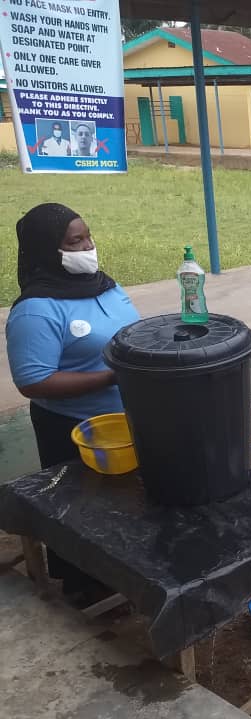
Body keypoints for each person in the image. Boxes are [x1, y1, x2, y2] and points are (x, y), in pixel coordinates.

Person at [5, 203, 141, 602]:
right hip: (72, 430)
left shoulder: (105, 285)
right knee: (80, 512)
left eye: (88, 236)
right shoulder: (36, 310)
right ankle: (86, 588)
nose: (87, 247)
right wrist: (111, 376)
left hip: (124, 420)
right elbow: (33, 380)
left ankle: (128, 575)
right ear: (48, 249)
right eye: (74, 241)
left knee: (125, 507)